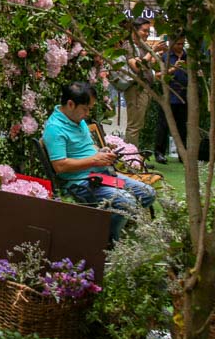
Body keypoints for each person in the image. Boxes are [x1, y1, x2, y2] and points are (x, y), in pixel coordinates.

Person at [43, 81, 156, 243]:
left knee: (148, 193)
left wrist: (101, 151)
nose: (88, 113)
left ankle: (111, 225)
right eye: (86, 109)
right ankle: (107, 240)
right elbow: (60, 166)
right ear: (70, 104)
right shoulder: (55, 129)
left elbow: (89, 146)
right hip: (80, 183)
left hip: (100, 175)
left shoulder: (76, 119)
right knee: (126, 202)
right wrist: (94, 160)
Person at [124, 18, 166, 146]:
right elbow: (137, 67)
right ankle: (129, 158)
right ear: (134, 30)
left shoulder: (143, 46)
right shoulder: (128, 46)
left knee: (139, 123)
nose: (147, 33)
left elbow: (150, 65)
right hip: (136, 88)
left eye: (149, 31)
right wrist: (151, 52)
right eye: (144, 31)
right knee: (134, 125)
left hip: (146, 87)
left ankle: (134, 155)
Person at [154, 34, 188, 164]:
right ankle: (159, 153)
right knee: (163, 125)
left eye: (182, 43)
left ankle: (182, 154)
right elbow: (157, 75)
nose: (180, 46)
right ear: (172, 44)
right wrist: (173, 69)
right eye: (178, 44)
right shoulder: (165, 57)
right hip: (168, 96)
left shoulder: (188, 57)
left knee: (182, 127)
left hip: (184, 97)